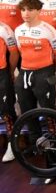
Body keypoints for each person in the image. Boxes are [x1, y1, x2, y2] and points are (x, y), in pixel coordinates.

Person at [14, 0, 56, 113]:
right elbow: (21, 51)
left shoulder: (49, 30)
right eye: (23, 10)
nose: (26, 13)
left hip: (44, 72)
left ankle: (52, 125)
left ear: (39, 11)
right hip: (24, 72)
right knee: (26, 110)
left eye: (30, 10)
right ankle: (32, 126)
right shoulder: (18, 30)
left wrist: (50, 71)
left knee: (48, 109)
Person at [0, 21, 19, 162]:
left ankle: (12, 144)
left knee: (7, 110)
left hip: (2, 73)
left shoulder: (4, 29)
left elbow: (14, 52)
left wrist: (10, 72)